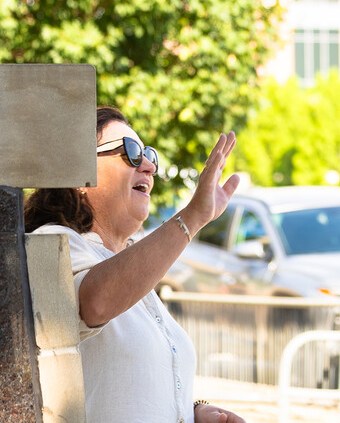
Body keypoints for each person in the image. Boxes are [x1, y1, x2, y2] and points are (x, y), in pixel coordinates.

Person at [25, 105, 245, 423]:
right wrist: (192, 218)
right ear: (77, 173)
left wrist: (195, 411)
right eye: (130, 152)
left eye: (150, 155)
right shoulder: (51, 241)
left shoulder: (132, 266)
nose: (148, 167)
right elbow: (95, 303)